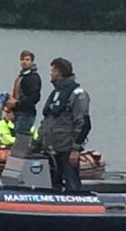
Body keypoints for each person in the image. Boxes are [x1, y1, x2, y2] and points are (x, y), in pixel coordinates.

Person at [37, 57, 91, 191]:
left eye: (53, 70)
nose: (50, 73)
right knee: (51, 184)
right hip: (51, 149)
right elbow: (47, 120)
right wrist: (37, 142)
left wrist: (75, 149)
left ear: (59, 72)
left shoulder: (78, 94)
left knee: (72, 183)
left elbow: (83, 123)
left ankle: (76, 205)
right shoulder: (56, 94)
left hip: (66, 150)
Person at [5, 50, 42, 149]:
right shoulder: (21, 77)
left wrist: (17, 104)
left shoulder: (33, 77)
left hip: (26, 113)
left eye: (27, 59)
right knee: (18, 136)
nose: (24, 62)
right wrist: (10, 109)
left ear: (32, 61)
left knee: (22, 138)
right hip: (18, 113)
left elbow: (34, 98)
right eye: (22, 59)